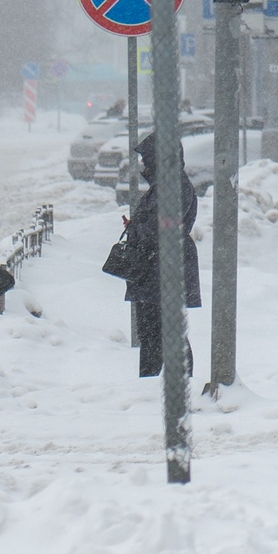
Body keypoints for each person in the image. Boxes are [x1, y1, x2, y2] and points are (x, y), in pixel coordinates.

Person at [116, 134, 200, 379]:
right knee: (156, 332)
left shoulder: (174, 187)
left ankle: (169, 383)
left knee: (162, 333)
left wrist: (137, 229)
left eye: (147, 158)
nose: (143, 165)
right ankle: (158, 381)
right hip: (156, 271)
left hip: (164, 272)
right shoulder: (166, 186)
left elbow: (161, 228)